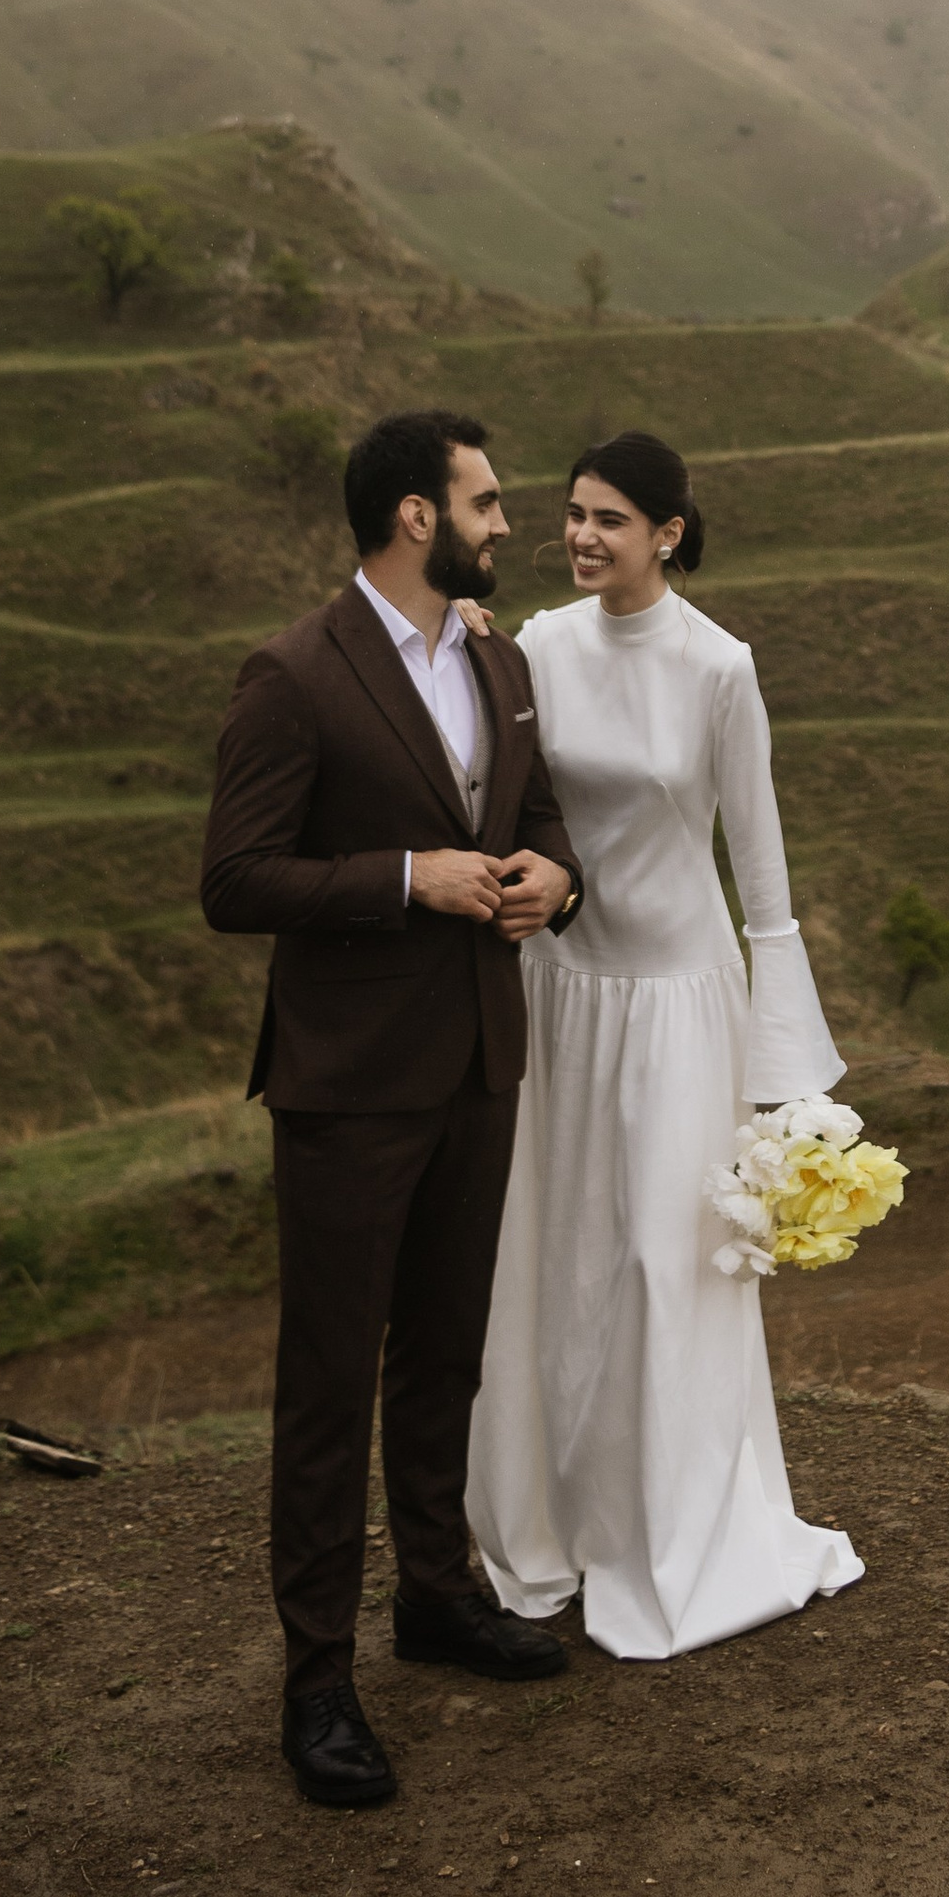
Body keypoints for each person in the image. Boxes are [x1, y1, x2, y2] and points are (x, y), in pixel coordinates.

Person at [201, 408, 586, 1811]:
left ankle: (437, 1594)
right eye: (485, 502)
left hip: (482, 1060)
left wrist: (554, 880)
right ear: (417, 518)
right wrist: (402, 875)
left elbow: (538, 822)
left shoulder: (505, 659)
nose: (504, 522)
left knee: (445, 1354)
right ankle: (317, 1680)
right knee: (328, 1383)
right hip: (349, 1085)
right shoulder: (293, 676)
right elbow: (233, 880)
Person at [465, 428, 862, 1659]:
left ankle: (668, 1525)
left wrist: (787, 1080)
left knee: (658, 1261)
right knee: (551, 1257)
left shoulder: (719, 667)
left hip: (679, 1000)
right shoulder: (534, 645)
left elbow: (763, 875)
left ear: (668, 535)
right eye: (572, 514)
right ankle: (552, 1520)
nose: (581, 536)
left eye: (609, 520)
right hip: (559, 990)